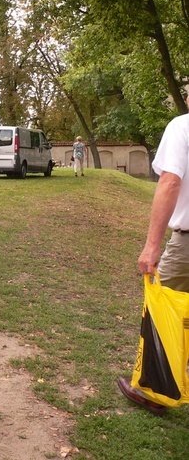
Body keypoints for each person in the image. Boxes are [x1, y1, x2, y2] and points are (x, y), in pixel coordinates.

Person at [117, 103, 189, 416]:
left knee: (165, 310)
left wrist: (151, 245)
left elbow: (170, 181)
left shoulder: (182, 127)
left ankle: (155, 391)